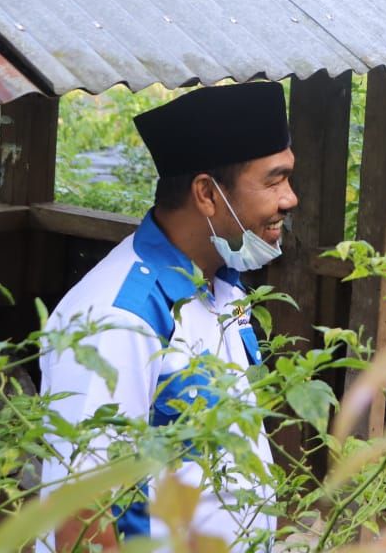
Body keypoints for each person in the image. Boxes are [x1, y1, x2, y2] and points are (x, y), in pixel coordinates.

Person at [40, 81, 297, 552]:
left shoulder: (222, 283)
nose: (290, 198)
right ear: (206, 194)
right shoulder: (120, 316)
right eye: (274, 180)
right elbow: (81, 516)